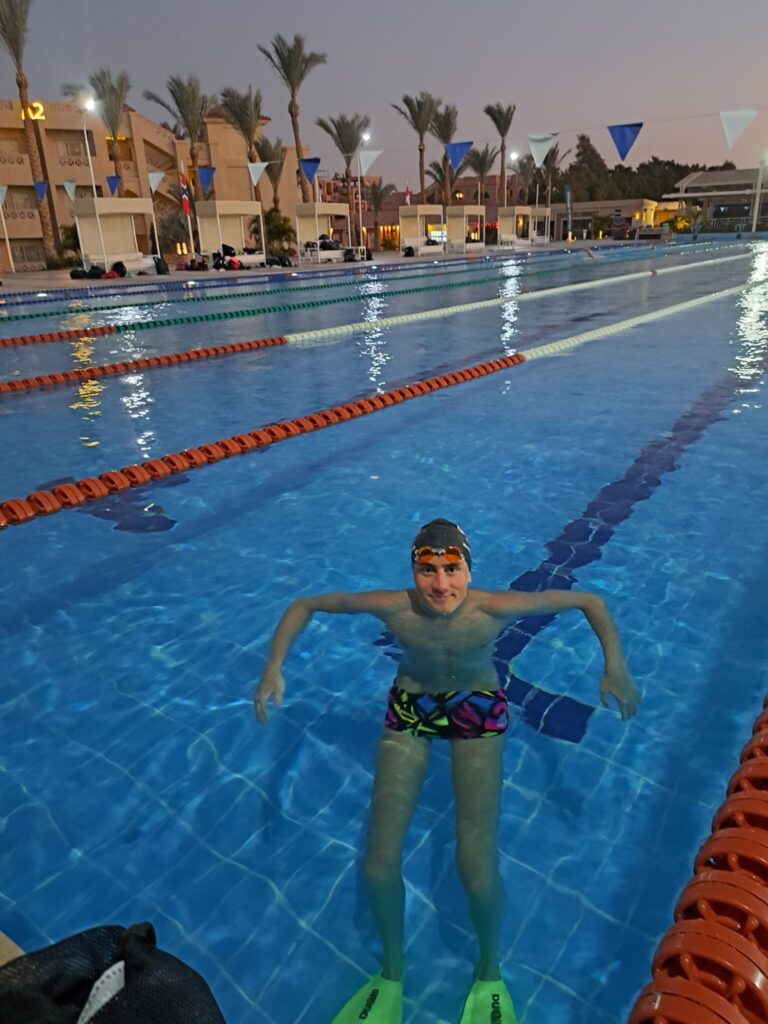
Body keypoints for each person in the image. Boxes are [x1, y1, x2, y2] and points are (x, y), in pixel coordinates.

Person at [253, 519, 640, 1024]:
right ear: (413, 570)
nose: (440, 584)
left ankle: (489, 970)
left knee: (475, 868)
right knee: (377, 866)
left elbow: (590, 602)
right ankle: (390, 972)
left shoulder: (493, 606)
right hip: (412, 707)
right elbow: (305, 605)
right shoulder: (394, 606)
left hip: (476, 706)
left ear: (468, 570)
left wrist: (615, 666)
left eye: (452, 569)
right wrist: (273, 667)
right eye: (427, 570)